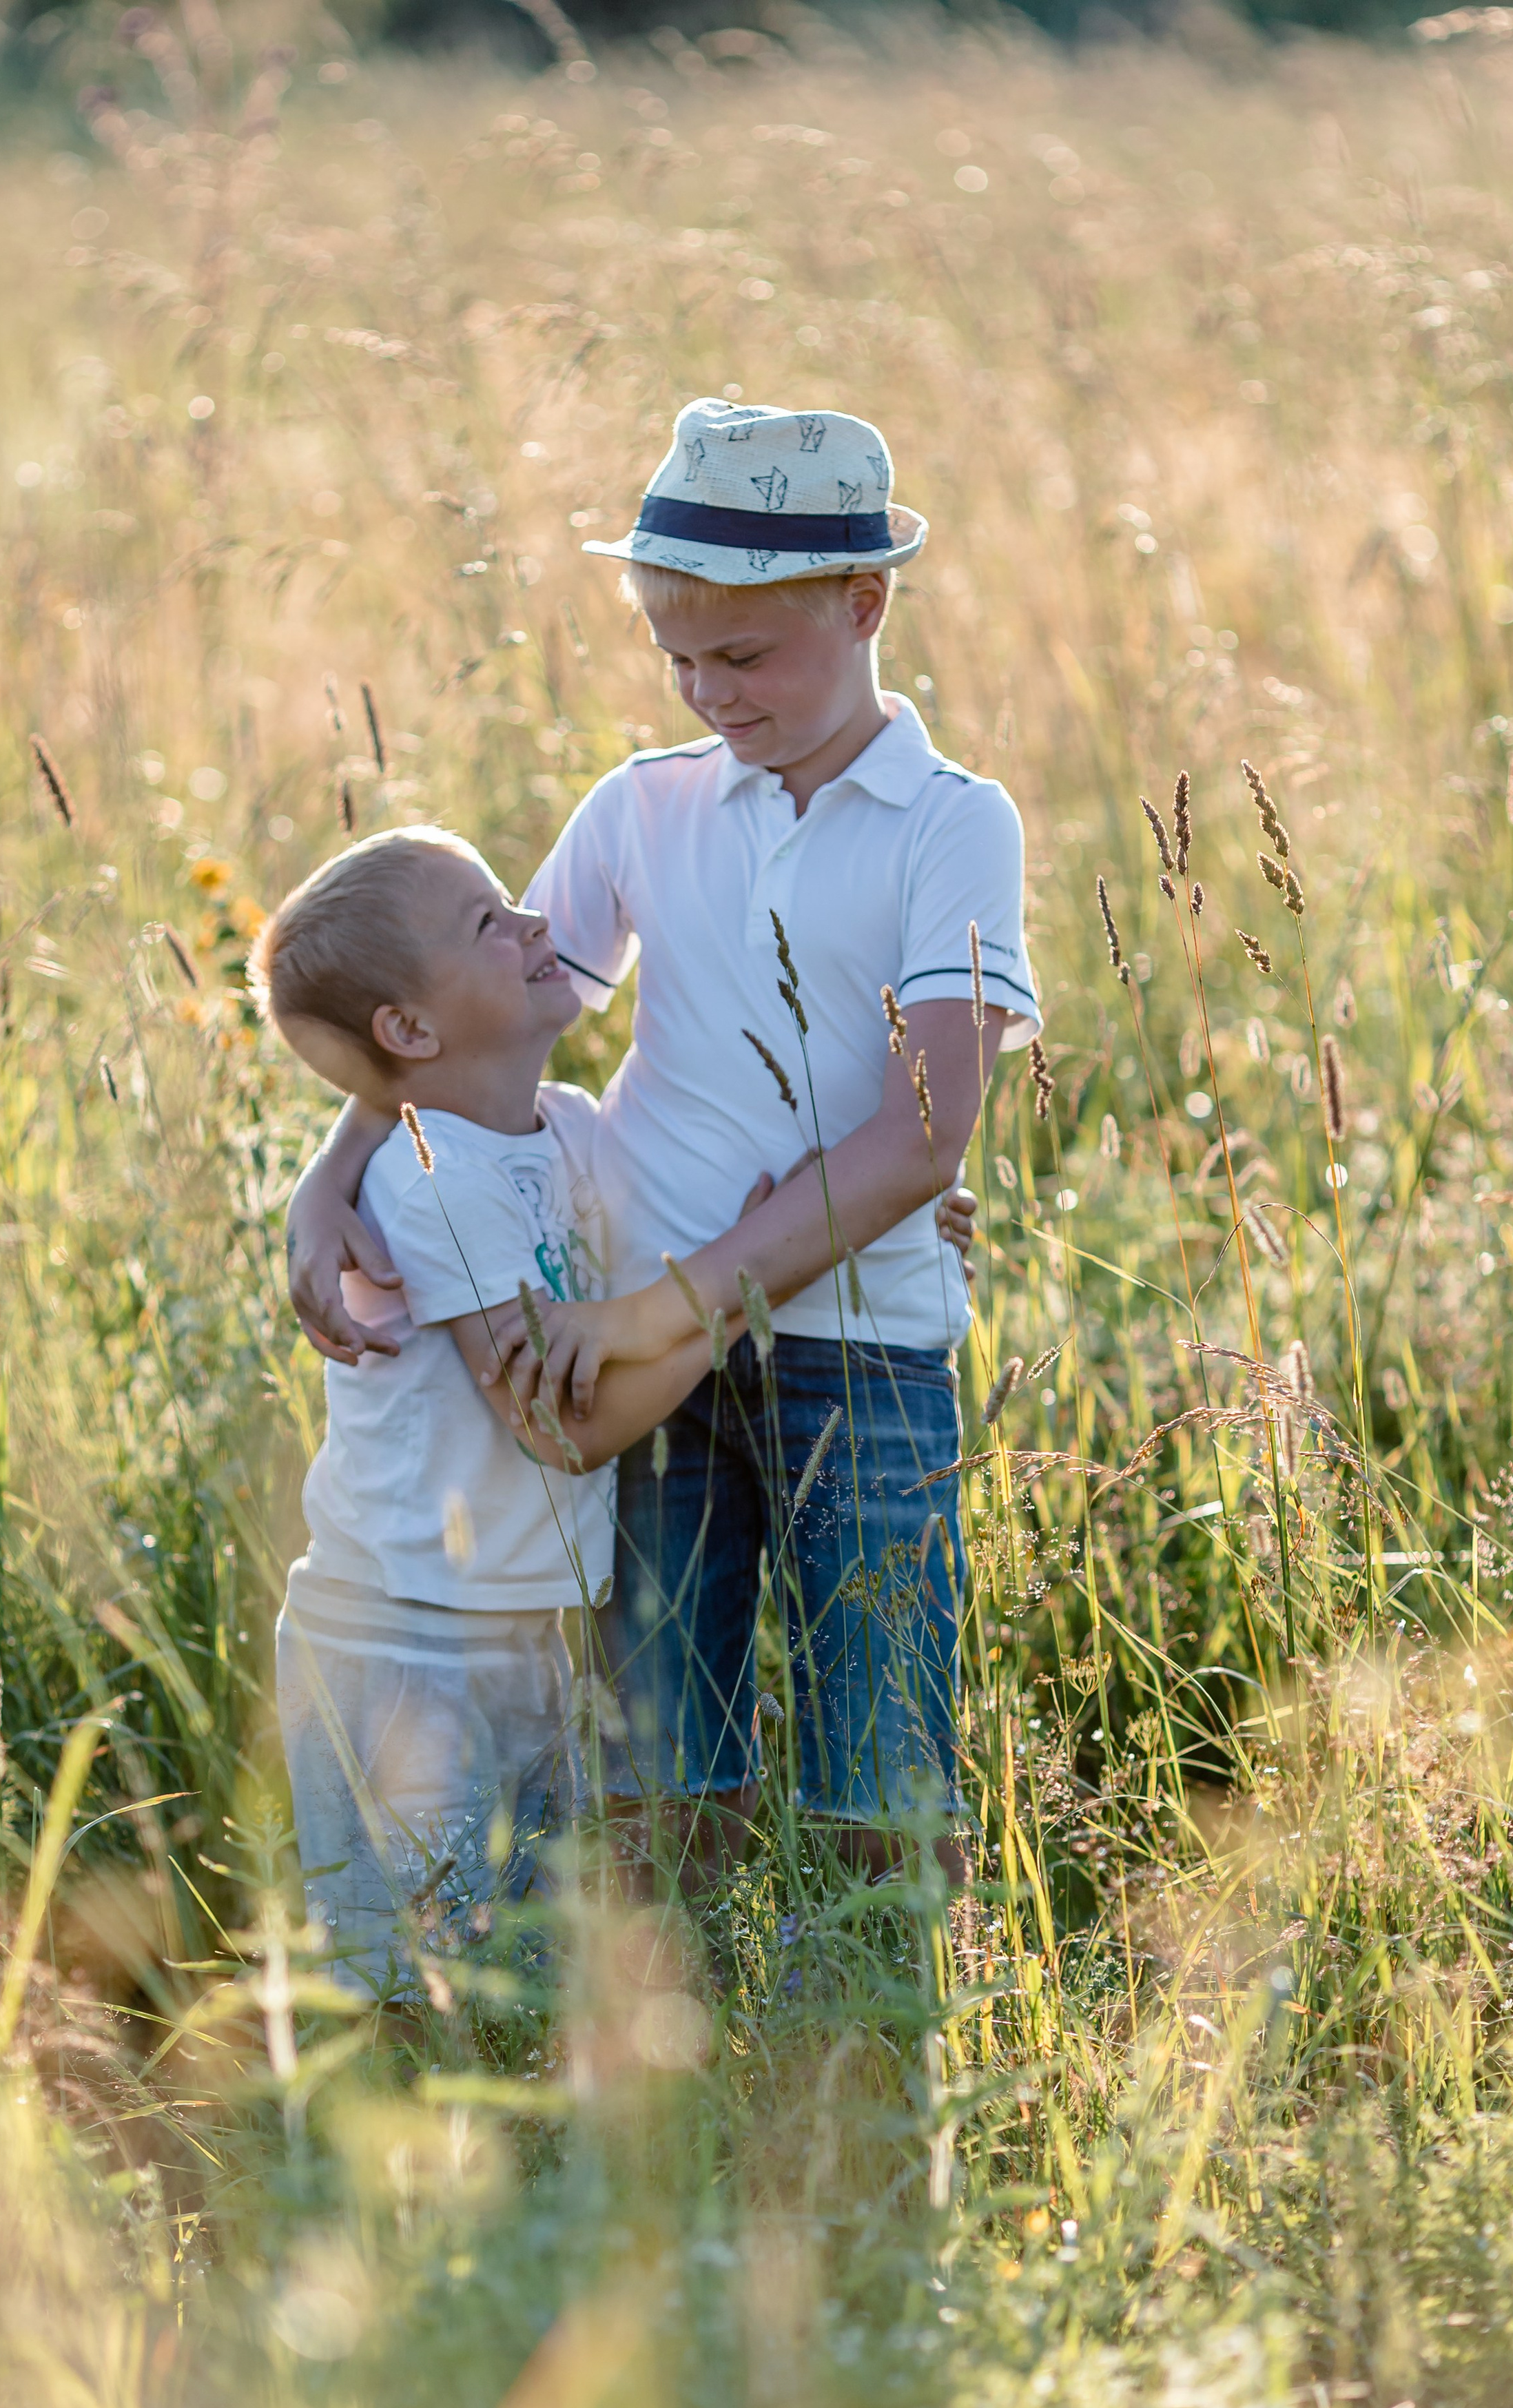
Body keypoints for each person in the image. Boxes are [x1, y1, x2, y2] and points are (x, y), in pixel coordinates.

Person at [282, 399, 1040, 1877]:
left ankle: (874, 2083)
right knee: (658, 1781)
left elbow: (922, 1133)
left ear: (863, 603)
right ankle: (672, 2077)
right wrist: (331, 1176)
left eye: (741, 656)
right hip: (640, 1373)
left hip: (862, 1347)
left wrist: (676, 1300)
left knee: (884, 1785)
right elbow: (464, 1024)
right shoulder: (647, 806)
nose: (705, 690)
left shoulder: (952, 824)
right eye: (674, 656)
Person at [256, 821, 977, 1992]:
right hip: (398, 1646)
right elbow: (564, 1428)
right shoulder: (430, 1185)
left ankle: (516, 2166)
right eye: (491, 920)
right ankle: (372, 2169)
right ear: (411, 1031)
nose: (539, 920)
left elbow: (711, 1225)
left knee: (520, 1965)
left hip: (521, 1632)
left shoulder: (571, 1133)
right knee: (408, 1973)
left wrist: (880, 1211)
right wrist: (743, 1297)